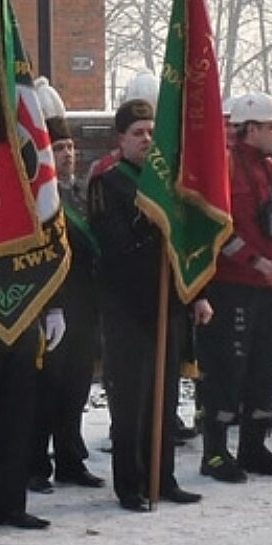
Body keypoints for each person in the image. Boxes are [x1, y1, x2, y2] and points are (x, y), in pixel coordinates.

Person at [88, 92, 208, 510]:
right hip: (128, 307)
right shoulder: (107, 183)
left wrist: (195, 294)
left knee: (165, 396)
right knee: (132, 401)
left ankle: (163, 476)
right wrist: (153, 232)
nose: (146, 139)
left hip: (168, 305)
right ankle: (131, 484)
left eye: (152, 132)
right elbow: (113, 245)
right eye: (137, 132)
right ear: (120, 139)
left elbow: (187, 246)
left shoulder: (171, 185)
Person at [193, 92, 272, 483]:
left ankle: (254, 446)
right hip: (233, 286)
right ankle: (215, 451)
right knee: (227, 368)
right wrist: (257, 262)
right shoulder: (223, 168)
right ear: (251, 128)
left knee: (267, 368)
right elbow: (215, 227)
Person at [28, 77, 104, 492]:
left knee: (76, 387)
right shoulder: (40, 200)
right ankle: (36, 463)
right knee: (46, 389)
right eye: (58, 148)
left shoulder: (82, 193)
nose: (68, 154)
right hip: (52, 301)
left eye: (70, 147)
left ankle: (71, 459)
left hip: (85, 305)